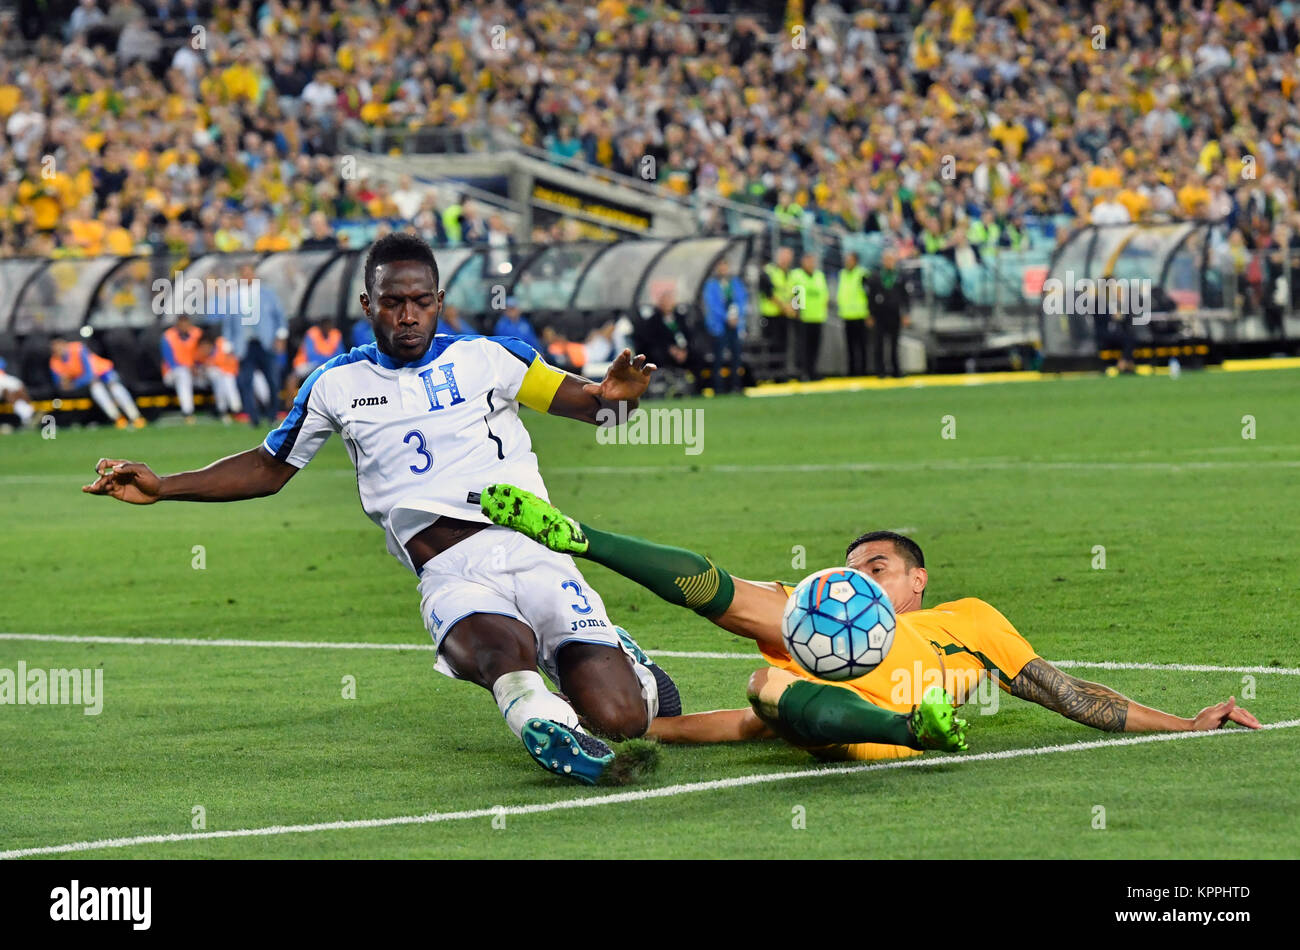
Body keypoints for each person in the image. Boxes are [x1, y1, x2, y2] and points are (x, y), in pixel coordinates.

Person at [83, 233, 676, 786]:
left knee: (621, 719)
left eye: (421, 300)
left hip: (535, 550)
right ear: (368, 305)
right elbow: (268, 469)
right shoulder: (335, 385)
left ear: (440, 300)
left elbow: (595, 406)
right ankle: (538, 718)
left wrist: (616, 400)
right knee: (501, 655)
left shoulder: (491, 358)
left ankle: (618, 665)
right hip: (451, 574)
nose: (408, 315)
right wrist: (165, 487)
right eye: (393, 302)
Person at [480, 485, 1262, 762]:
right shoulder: (821, 621)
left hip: (834, 720)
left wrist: (1185, 726)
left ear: (918, 583)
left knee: (768, 695)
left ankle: (910, 730)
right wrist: (641, 732)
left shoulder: (969, 622)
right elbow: (714, 589)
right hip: (841, 724)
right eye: (852, 569)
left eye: (877, 569)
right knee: (766, 680)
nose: (857, 582)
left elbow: (1065, 694)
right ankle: (583, 539)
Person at [219, 262, 288, 427]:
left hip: (265, 343)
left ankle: (272, 415)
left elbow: (280, 318)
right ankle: (253, 418)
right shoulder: (233, 298)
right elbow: (228, 323)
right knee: (245, 382)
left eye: (249, 273)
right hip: (244, 345)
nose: (247, 277)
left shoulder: (268, 294)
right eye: (243, 274)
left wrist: (280, 336)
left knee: (273, 381)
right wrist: (228, 344)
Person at [49, 335, 144, 429]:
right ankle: (118, 419)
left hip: (103, 372)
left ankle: (136, 417)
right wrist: (67, 383)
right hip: (90, 383)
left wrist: (74, 383)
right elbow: (60, 384)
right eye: (54, 346)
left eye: (59, 344)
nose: (57, 348)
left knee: (116, 389)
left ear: (64, 344)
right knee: (97, 391)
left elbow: (89, 375)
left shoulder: (78, 349)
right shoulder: (55, 361)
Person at [701, 257, 747, 394]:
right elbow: (712, 306)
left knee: (737, 356)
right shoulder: (711, 285)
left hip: (735, 324)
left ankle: (736, 386)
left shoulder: (735, 283)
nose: (723, 269)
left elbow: (742, 300)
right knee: (718, 357)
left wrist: (736, 316)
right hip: (720, 326)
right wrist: (726, 317)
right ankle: (718, 387)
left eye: (725, 266)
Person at [866, 249, 909, 378]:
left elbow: (905, 297)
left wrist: (906, 313)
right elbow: (870, 297)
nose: (889, 262)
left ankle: (896, 369)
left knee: (895, 343)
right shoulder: (875, 276)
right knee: (879, 343)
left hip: (895, 313)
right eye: (886, 259)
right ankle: (880, 370)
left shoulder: (900, 276)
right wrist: (870, 314)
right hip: (880, 314)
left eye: (891, 259)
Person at [788, 252, 829, 380]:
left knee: (815, 346)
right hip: (803, 317)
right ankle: (802, 372)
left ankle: (813, 371)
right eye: (808, 261)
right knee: (802, 347)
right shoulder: (797, 275)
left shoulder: (819, 276)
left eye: (812, 261)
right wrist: (796, 309)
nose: (810, 264)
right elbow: (793, 292)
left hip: (817, 316)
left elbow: (824, 294)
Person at [757, 246, 795, 375]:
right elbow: (768, 293)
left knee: (784, 345)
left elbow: (796, 292)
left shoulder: (792, 274)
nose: (786, 259)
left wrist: (794, 307)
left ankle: (782, 372)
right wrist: (784, 307)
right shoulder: (768, 271)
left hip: (785, 316)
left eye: (788, 256)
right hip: (771, 315)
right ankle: (770, 373)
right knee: (771, 346)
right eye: (784, 256)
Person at [160, 314, 204, 423]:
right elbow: (169, 360)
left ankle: (229, 410)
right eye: (182, 324)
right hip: (173, 372)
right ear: (177, 324)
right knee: (183, 375)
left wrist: (196, 366)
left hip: (197, 371)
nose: (184, 326)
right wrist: (189, 368)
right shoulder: (168, 336)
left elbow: (204, 353)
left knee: (221, 374)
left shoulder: (198, 333)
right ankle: (188, 412)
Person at [291, 319, 345, 395]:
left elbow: (340, 354)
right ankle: (290, 403)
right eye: (325, 327)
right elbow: (311, 356)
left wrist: (328, 362)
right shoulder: (312, 333)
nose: (327, 329)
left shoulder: (335, 334)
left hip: (329, 364)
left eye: (329, 327)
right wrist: (328, 360)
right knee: (293, 378)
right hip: (307, 363)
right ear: (321, 327)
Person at [836, 251, 870, 376]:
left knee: (862, 346)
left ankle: (863, 371)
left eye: (849, 259)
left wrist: (869, 313)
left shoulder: (862, 274)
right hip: (847, 315)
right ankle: (851, 371)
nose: (847, 262)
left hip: (860, 315)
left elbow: (869, 294)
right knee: (849, 346)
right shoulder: (842, 274)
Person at [0, 356, 36, 429]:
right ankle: (28, 416)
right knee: (7, 390)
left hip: (3, 377)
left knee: (19, 386)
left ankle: (29, 413)